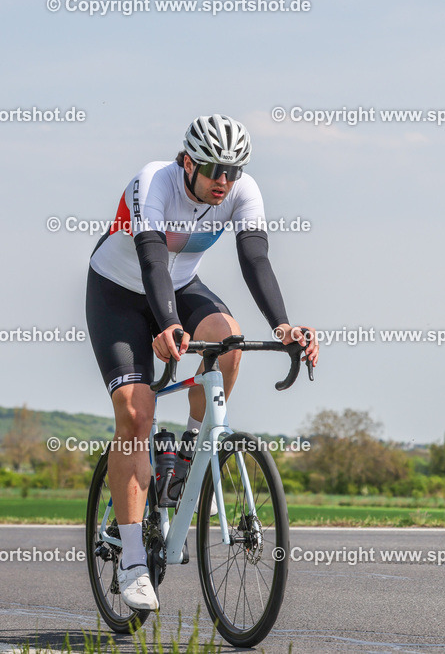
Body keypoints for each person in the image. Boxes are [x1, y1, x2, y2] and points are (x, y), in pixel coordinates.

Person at [85, 114, 318, 610]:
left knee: (229, 339)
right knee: (136, 414)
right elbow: (152, 261)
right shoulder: (154, 182)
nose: (224, 181)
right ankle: (132, 561)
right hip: (118, 293)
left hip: (181, 286)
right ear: (189, 163)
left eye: (233, 171)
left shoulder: (242, 190)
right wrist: (168, 324)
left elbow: (255, 259)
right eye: (214, 169)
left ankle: (190, 453)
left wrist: (284, 326)